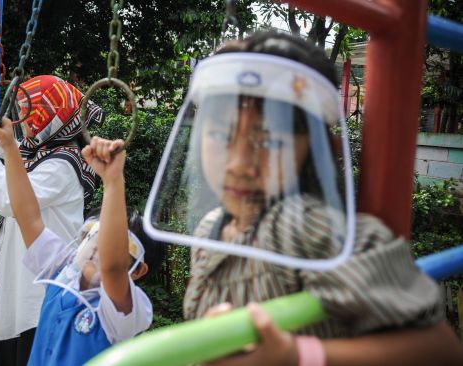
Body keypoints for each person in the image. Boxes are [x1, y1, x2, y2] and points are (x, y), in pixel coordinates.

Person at [145, 31, 463, 365]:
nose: (239, 165)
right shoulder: (210, 228)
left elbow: (440, 350)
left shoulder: (311, 228)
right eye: (222, 135)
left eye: (269, 141)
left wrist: (297, 356)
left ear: (310, 150)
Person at [0, 110, 164, 365]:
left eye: (112, 242)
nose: (97, 245)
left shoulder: (125, 309)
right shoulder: (62, 271)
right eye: (93, 235)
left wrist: (114, 182)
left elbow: (113, 267)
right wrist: (9, 148)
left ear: (137, 271)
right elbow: (27, 215)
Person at [0, 75, 103, 366]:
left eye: (27, 115)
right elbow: (18, 156)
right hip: (23, 287)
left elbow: (9, 200)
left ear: (45, 120)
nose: (21, 122)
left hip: (38, 296)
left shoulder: (63, 165)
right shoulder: (47, 152)